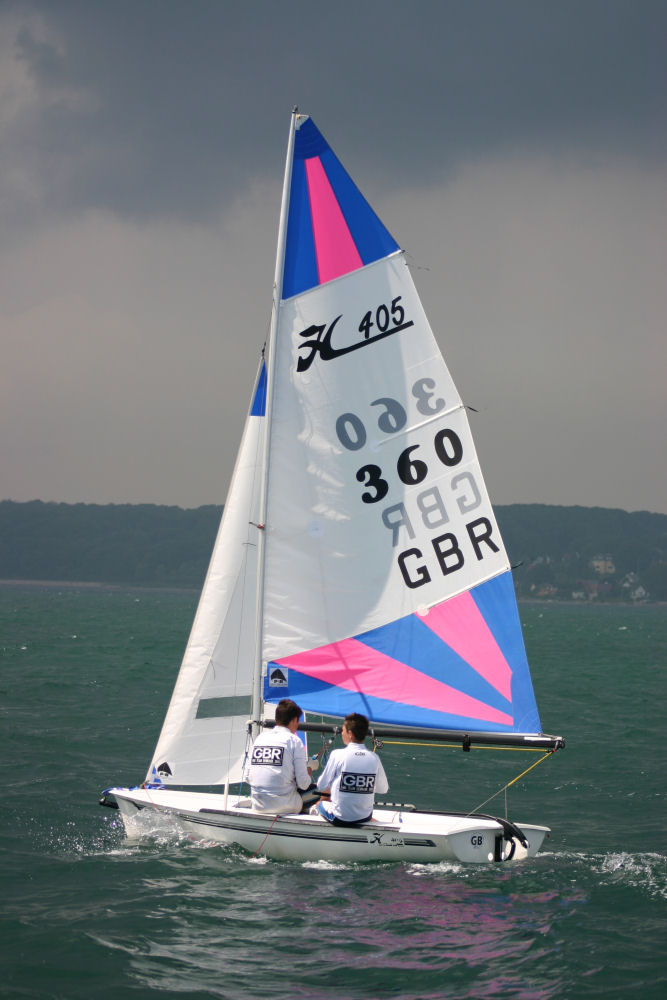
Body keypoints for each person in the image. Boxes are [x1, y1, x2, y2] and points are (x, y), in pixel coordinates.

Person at [315, 713, 388, 825]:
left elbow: (321, 785)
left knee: (320, 803)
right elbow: (383, 789)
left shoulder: (337, 755)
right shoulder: (374, 758)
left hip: (340, 818)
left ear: (350, 733)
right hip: (365, 817)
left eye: (343, 730)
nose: (341, 733)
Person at [247, 699, 312, 815]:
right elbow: (303, 784)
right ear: (294, 720)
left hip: (258, 806)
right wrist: (309, 772)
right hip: (285, 807)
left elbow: (248, 777)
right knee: (318, 790)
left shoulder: (260, 738)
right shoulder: (295, 741)